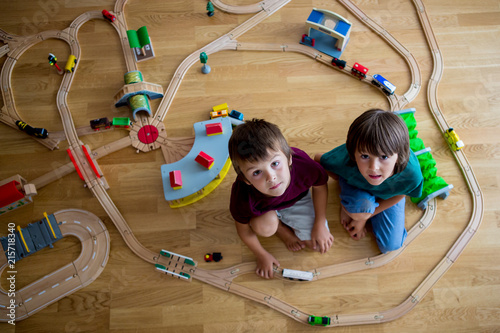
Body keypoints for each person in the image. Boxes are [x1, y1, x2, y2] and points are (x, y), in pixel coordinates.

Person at [229, 119, 334, 279]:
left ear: (289, 158)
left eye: (275, 163)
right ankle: (281, 230)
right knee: (264, 227)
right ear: (246, 179)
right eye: (257, 172)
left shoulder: (304, 166)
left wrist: (320, 222)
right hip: (266, 211)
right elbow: (243, 230)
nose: (271, 177)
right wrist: (261, 255)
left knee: (314, 245)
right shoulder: (242, 197)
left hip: (297, 199)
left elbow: (320, 186)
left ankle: (282, 223)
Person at [315, 109, 423, 253]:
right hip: (356, 184)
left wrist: (365, 218)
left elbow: (402, 193)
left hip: (389, 193)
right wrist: (342, 188)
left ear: (399, 156)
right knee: (359, 211)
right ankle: (355, 204)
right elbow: (318, 160)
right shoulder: (347, 159)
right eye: (365, 156)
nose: (373, 168)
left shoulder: (411, 174)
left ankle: (361, 209)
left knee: (391, 246)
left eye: (383, 157)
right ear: (353, 153)